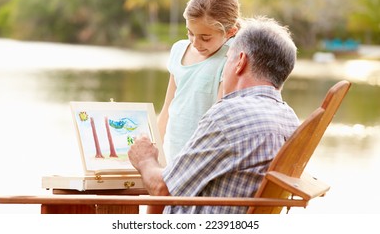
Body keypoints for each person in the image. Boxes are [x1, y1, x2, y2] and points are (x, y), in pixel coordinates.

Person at [128, 16, 300, 214]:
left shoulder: (228, 115)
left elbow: (162, 188)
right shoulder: (290, 119)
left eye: (227, 59)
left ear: (240, 62)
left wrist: (145, 159)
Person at [158, 0, 241, 163]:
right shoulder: (178, 50)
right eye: (190, 33)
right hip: (173, 151)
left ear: (230, 32)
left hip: (203, 157)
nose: (195, 42)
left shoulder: (228, 60)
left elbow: (217, 122)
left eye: (205, 37)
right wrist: (156, 145)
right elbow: (167, 106)